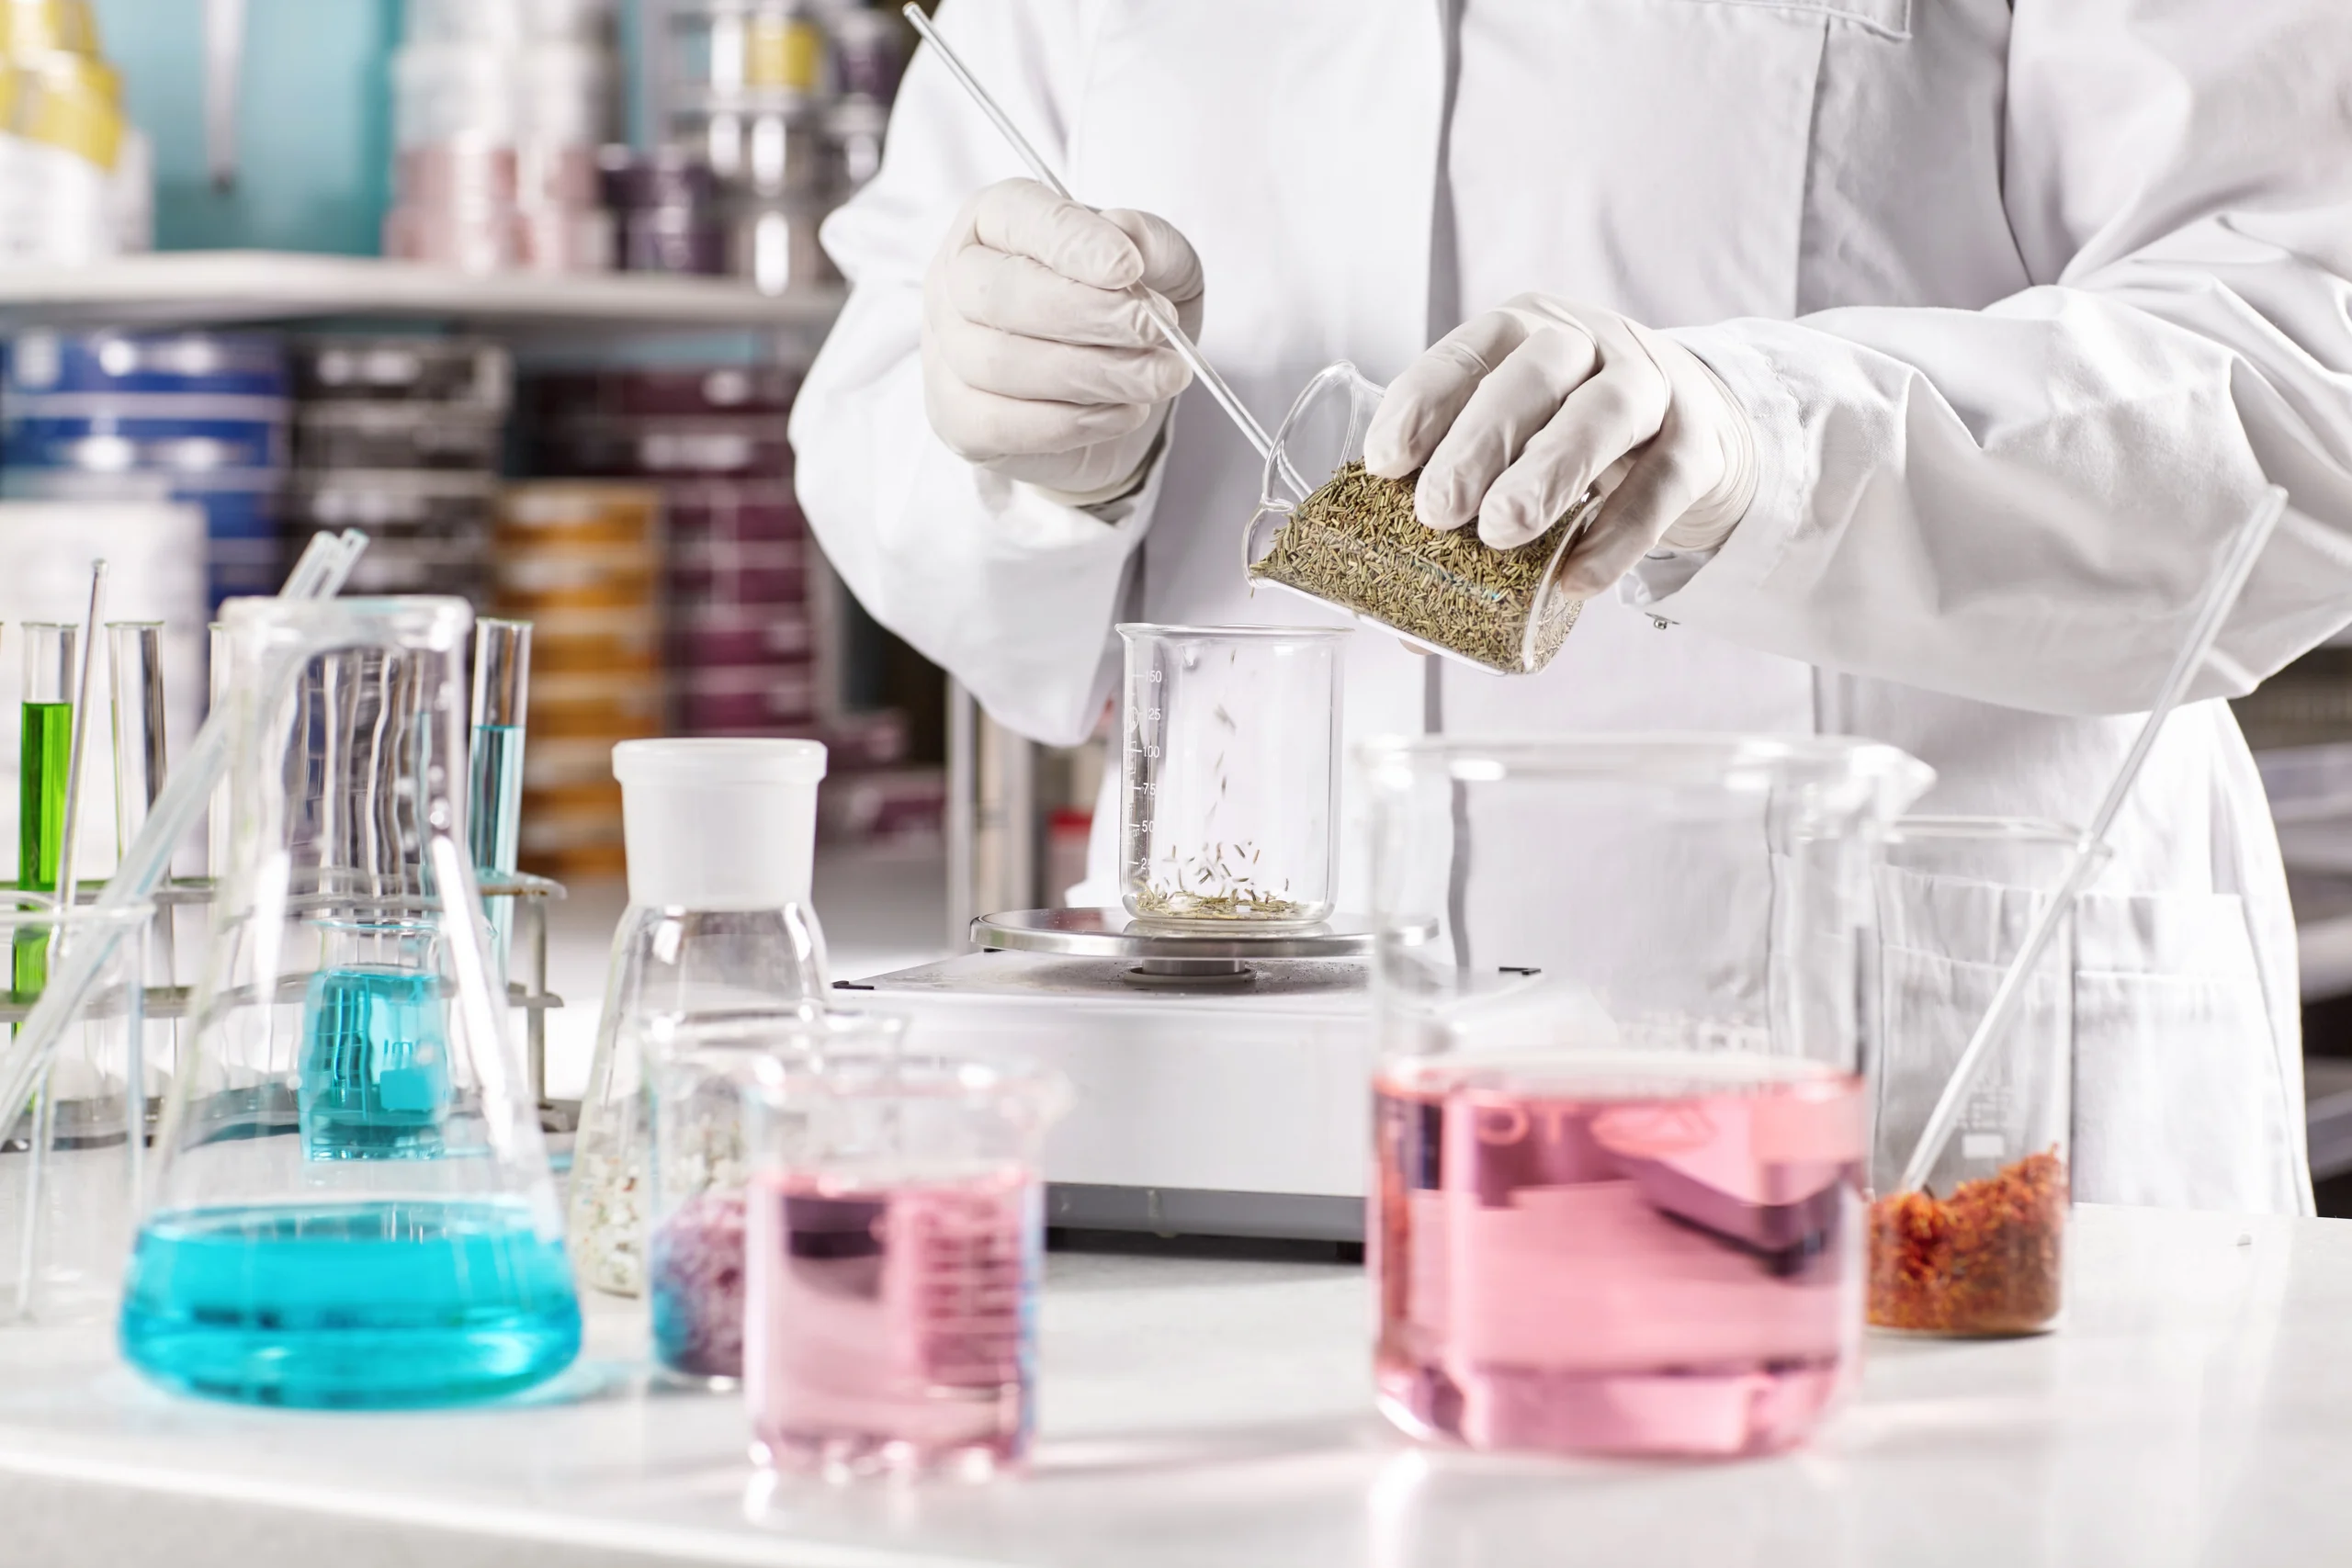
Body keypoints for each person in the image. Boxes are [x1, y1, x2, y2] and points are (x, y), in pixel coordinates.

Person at [789, 0, 2352, 1213]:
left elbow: (2302, 371)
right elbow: (884, 429)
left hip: (1929, 1097)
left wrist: (1761, 442)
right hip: (1262, 1119)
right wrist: (1030, 447)